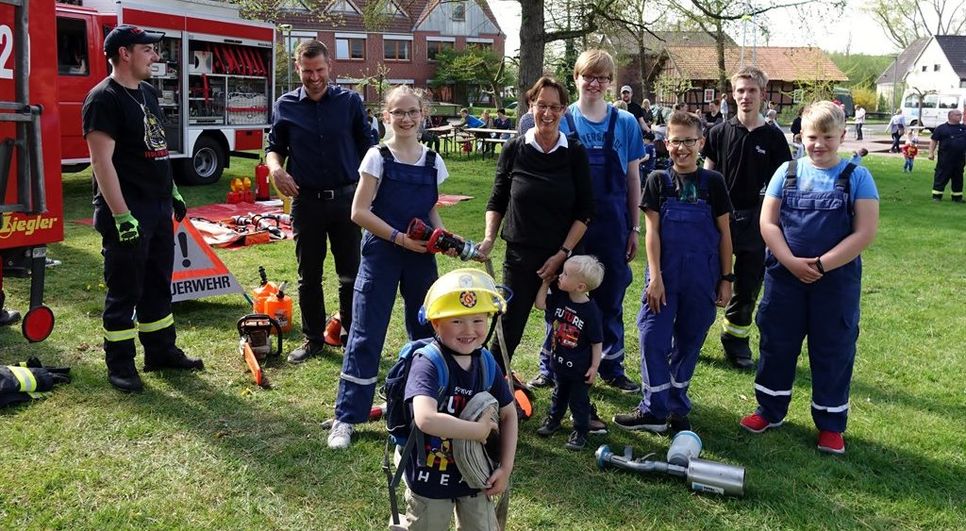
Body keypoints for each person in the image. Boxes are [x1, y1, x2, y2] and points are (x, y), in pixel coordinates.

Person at [740, 101, 879, 455]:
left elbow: (864, 232)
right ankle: (769, 410)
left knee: (833, 349)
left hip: (834, 282)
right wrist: (789, 261)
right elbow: (768, 223)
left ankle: (831, 424)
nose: (819, 144)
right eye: (812, 136)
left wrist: (820, 265)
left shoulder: (857, 177)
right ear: (801, 135)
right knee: (776, 343)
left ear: (842, 136)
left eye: (828, 137)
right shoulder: (786, 171)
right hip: (785, 279)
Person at [328, 85, 452, 450]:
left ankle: (419, 409)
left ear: (422, 115)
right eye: (398, 112)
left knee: (426, 332)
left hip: (420, 259)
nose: (406, 119)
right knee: (366, 333)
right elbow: (359, 212)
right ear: (386, 117)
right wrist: (398, 237)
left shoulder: (433, 161)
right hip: (383, 253)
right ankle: (347, 417)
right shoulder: (376, 157)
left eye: (412, 112)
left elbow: (430, 211)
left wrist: (442, 236)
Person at [82, 25, 203, 393]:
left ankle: (161, 352)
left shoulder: (147, 93)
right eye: (147, 50)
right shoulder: (103, 99)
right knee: (125, 292)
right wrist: (121, 215)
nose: (154, 57)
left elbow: (157, 152)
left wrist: (174, 190)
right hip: (128, 215)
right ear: (124, 54)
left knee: (157, 287)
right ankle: (120, 365)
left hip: (157, 207)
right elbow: (102, 163)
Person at [614, 111, 733, 434]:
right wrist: (655, 278)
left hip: (702, 279)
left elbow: (725, 234)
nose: (682, 148)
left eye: (689, 141)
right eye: (676, 141)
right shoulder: (658, 181)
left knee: (690, 340)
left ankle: (677, 406)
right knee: (652, 337)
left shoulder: (714, 183)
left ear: (701, 143)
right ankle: (653, 409)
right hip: (665, 278)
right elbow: (652, 233)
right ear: (666, 143)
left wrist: (726, 278)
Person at [478, 76, 593, 381]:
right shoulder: (514, 149)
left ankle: (573, 401)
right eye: (541, 105)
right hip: (520, 255)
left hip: (566, 260)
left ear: (564, 110)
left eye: (554, 107)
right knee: (508, 326)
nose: (547, 113)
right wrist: (490, 237)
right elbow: (498, 198)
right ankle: (489, 390)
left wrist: (562, 254)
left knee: (570, 330)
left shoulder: (575, 153)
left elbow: (585, 211)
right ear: (531, 105)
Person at [543, 49, 644, 394]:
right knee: (562, 293)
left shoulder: (626, 123)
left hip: (613, 225)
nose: (595, 83)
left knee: (611, 293)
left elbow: (633, 178)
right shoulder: (563, 119)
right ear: (576, 78)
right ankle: (552, 362)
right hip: (570, 226)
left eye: (602, 78)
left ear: (610, 82)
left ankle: (611, 366)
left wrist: (634, 226)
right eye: (588, 76)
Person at [266, 40, 372, 363]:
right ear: (298, 68)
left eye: (320, 70)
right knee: (308, 274)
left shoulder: (350, 102)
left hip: (347, 200)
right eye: (307, 71)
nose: (314, 77)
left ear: (330, 67)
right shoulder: (285, 105)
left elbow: (370, 149)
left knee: (350, 273)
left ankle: (352, 336)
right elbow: (275, 147)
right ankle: (313, 339)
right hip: (306, 201)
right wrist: (275, 170)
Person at [399, 268, 517, 530]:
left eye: (478, 320)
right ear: (436, 323)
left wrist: (506, 468)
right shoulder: (428, 363)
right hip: (430, 478)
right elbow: (426, 418)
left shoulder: (486, 362)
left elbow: (509, 413)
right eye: (457, 321)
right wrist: (479, 430)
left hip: (476, 475)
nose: (469, 330)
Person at [702, 66, 791, 370]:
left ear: (763, 95)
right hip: (719, 219)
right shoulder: (717, 133)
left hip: (757, 220)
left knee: (748, 283)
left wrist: (772, 221)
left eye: (751, 90)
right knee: (706, 278)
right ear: (733, 94)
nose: (745, 97)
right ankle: (691, 334)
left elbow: (782, 186)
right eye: (740, 90)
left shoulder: (775, 139)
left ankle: (736, 340)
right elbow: (707, 176)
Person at [534, 255, 604, 450]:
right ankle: (554, 420)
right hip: (559, 363)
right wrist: (545, 283)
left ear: (580, 286)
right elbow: (540, 304)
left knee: (578, 401)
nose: (560, 276)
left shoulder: (591, 312)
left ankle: (580, 431)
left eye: (565, 274)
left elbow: (597, 342)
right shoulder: (560, 298)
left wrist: (594, 366)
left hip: (580, 370)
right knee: (558, 394)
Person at [927, 109, 966, 202]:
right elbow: (934, 141)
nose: (960, 116)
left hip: (960, 158)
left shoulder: (964, 128)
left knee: (958, 178)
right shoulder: (941, 128)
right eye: (958, 115)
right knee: (941, 176)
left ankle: (957, 197)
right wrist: (931, 153)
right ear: (951, 116)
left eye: (960, 115)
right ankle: (937, 196)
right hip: (945, 159)